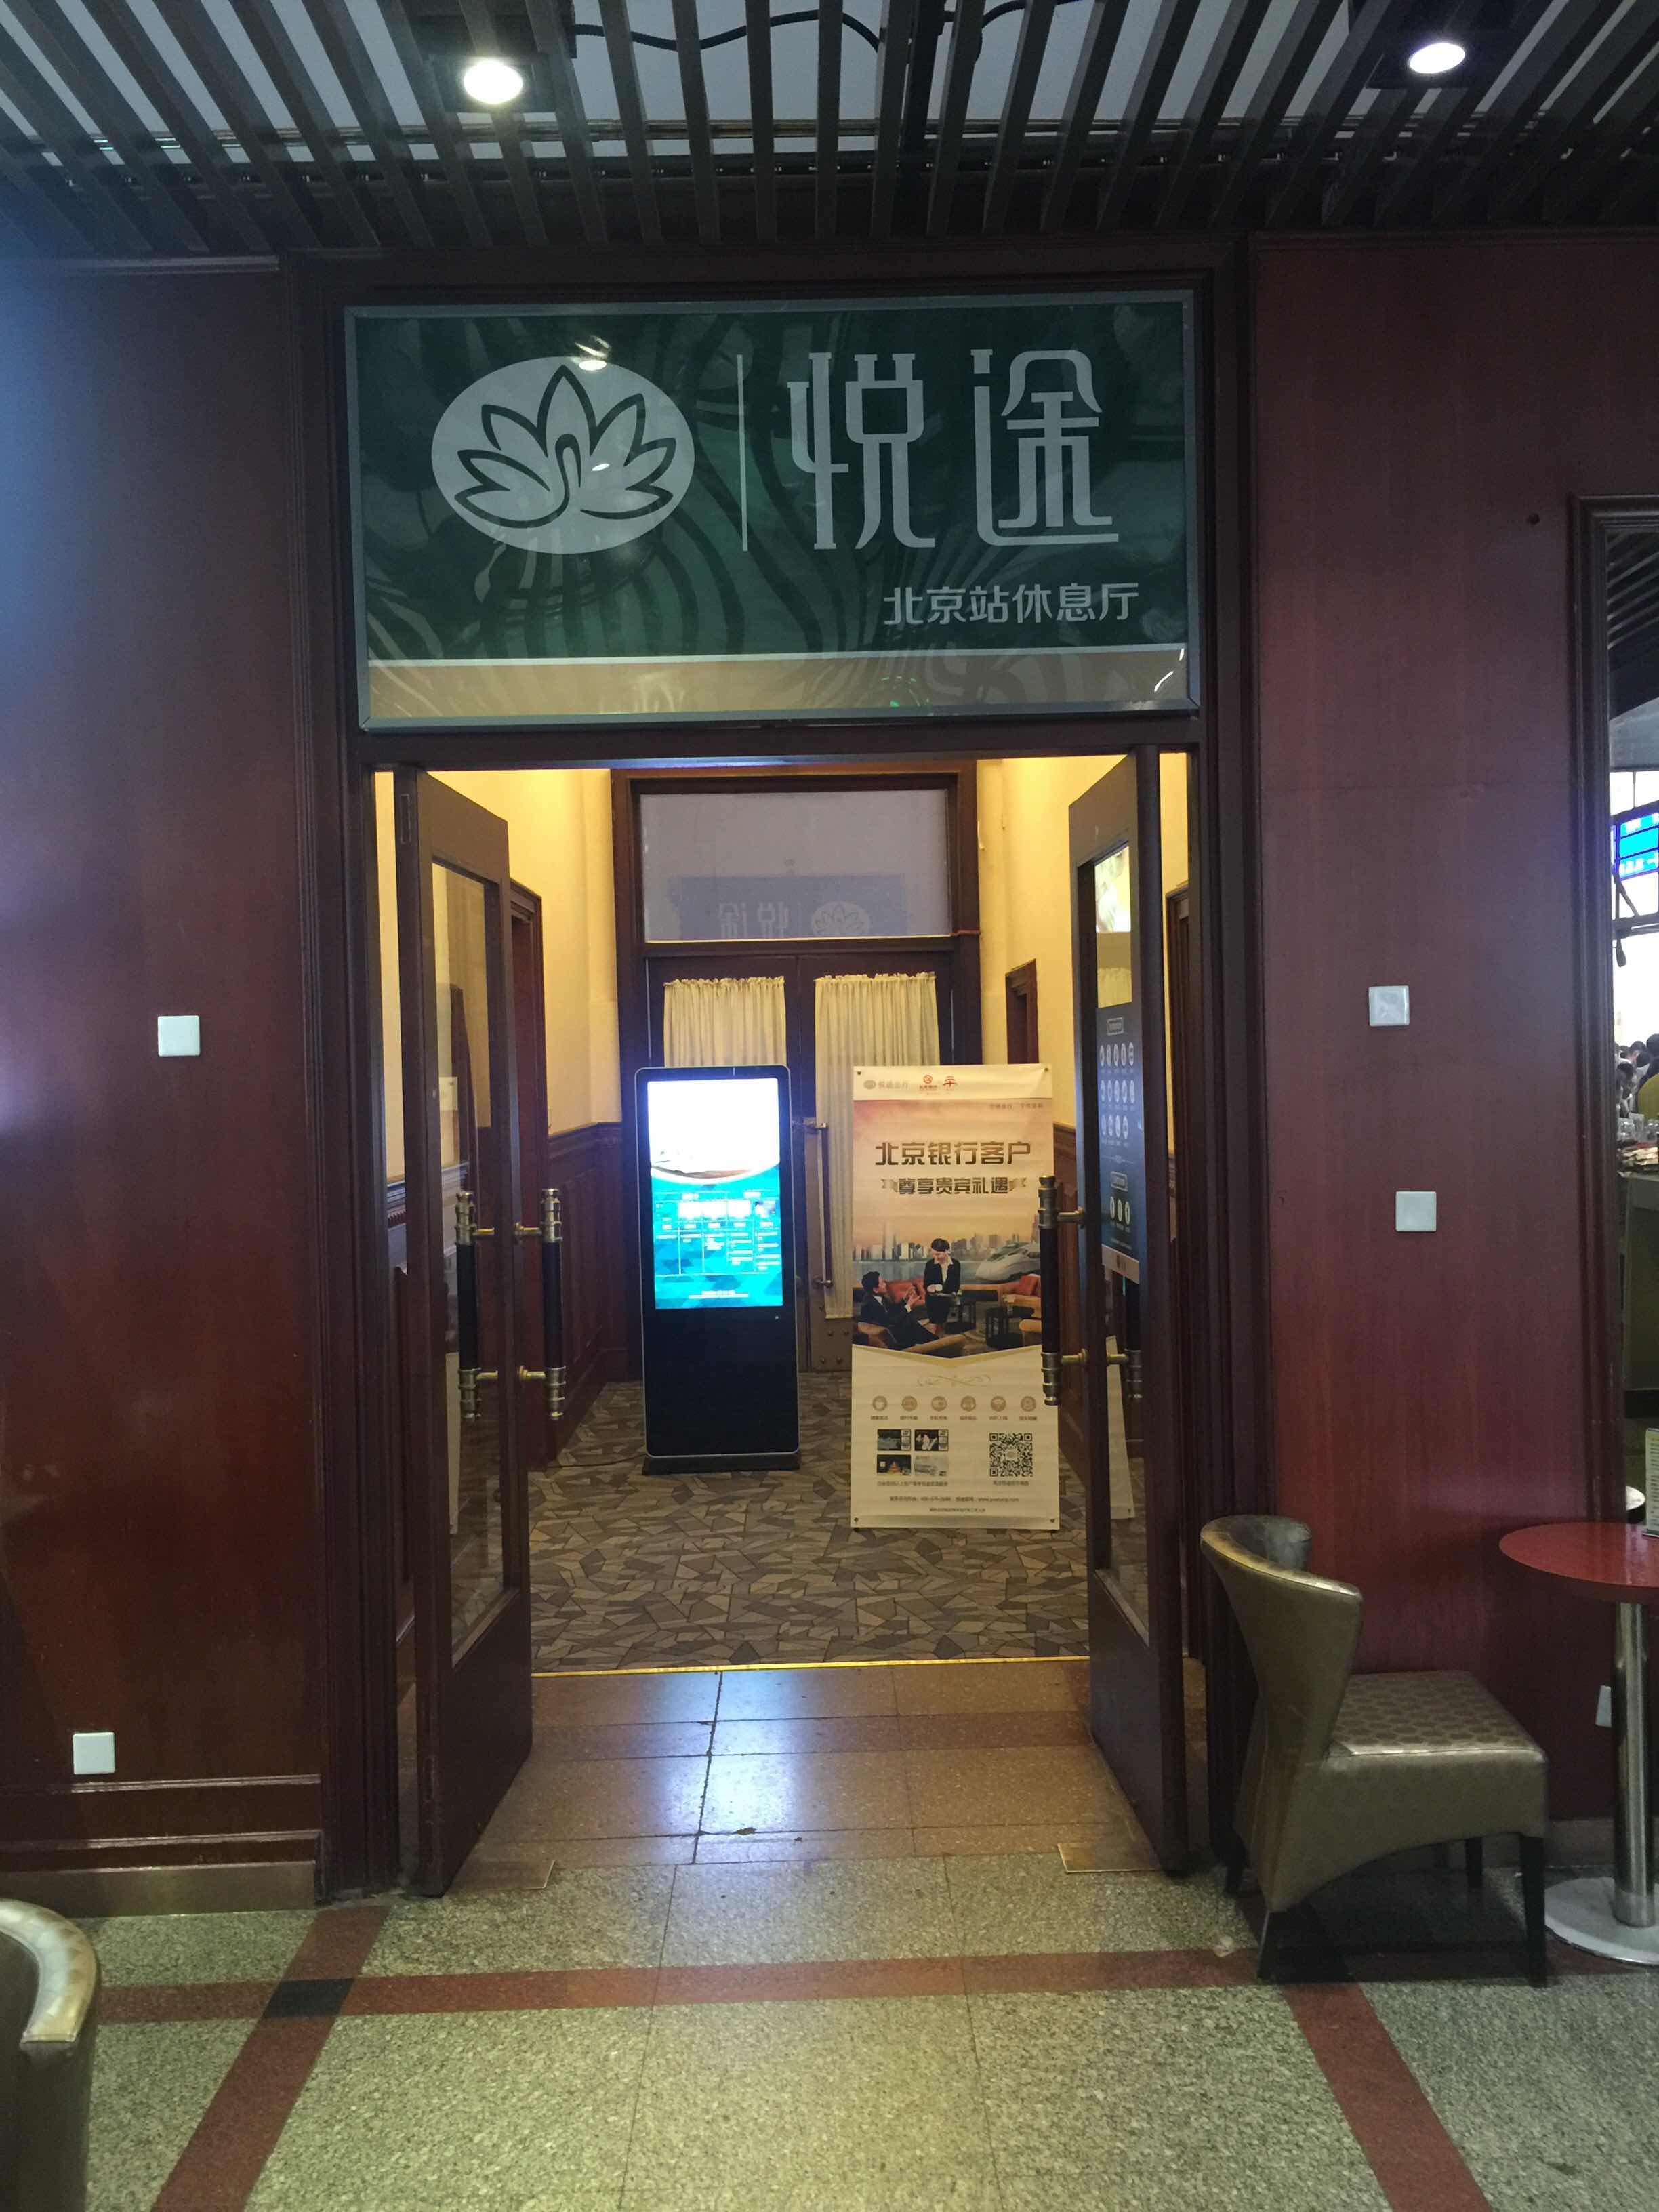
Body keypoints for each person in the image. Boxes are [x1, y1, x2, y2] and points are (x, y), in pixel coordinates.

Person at [855, 1269, 935, 1350]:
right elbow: (891, 1321)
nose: (885, 1284)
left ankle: (932, 1341)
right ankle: (932, 1342)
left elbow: (893, 1309)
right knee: (908, 1320)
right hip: (891, 1335)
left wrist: (905, 1299)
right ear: (875, 1289)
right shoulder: (869, 1305)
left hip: (893, 1327)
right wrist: (908, 1306)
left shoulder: (878, 1296)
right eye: (882, 1283)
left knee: (910, 1320)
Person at [922, 1237, 960, 1326]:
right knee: (934, 1325)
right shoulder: (930, 1264)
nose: (935, 1257)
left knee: (943, 1324)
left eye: (938, 1254)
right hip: (933, 1299)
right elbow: (926, 1284)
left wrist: (939, 1288)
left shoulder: (955, 1264)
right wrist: (928, 1287)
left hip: (948, 1298)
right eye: (933, 1254)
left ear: (947, 1251)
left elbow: (954, 1286)